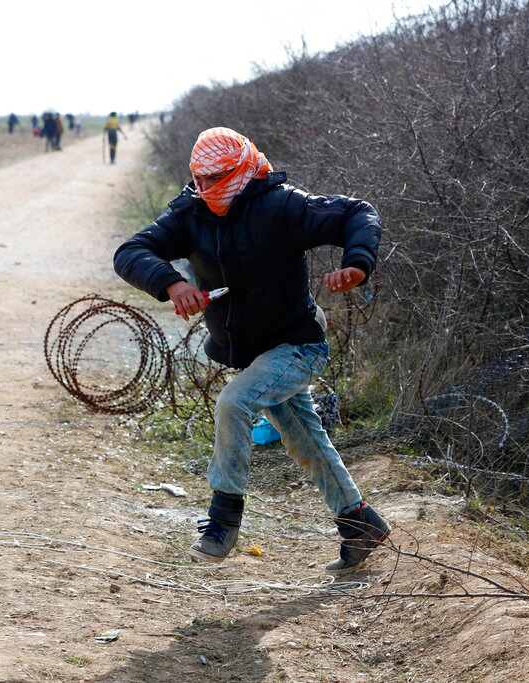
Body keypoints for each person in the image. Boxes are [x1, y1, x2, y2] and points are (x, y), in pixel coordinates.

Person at [113, 127, 388, 574]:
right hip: (254, 357)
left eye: (214, 179)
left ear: (240, 170)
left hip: (298, 345)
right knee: (307, 444)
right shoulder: (191, 212)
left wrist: (357, 265)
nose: (203, 189)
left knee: (234, 402)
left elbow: (358, 213)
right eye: (197, 179)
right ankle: (360, 525)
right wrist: (172, 281)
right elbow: (132, 250)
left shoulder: (281, 206)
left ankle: (223, 521)